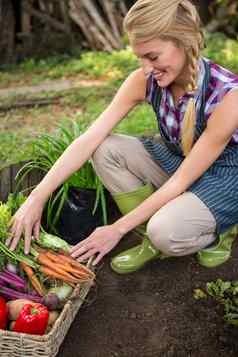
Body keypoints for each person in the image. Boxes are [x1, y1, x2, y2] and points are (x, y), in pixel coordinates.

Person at [7, 0, 238, 273]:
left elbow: (181, 180)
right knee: (105, 148)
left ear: (184, 42)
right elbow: (89, 138)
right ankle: (149, 241)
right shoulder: (145, 81)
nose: (146, 68)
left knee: (166, 231)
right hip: (182, 163)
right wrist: (37, 197)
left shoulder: (227, 96)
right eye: (140, 58)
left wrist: (116, 229)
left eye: (152, 57)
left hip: (225, 177)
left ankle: (221, 230)